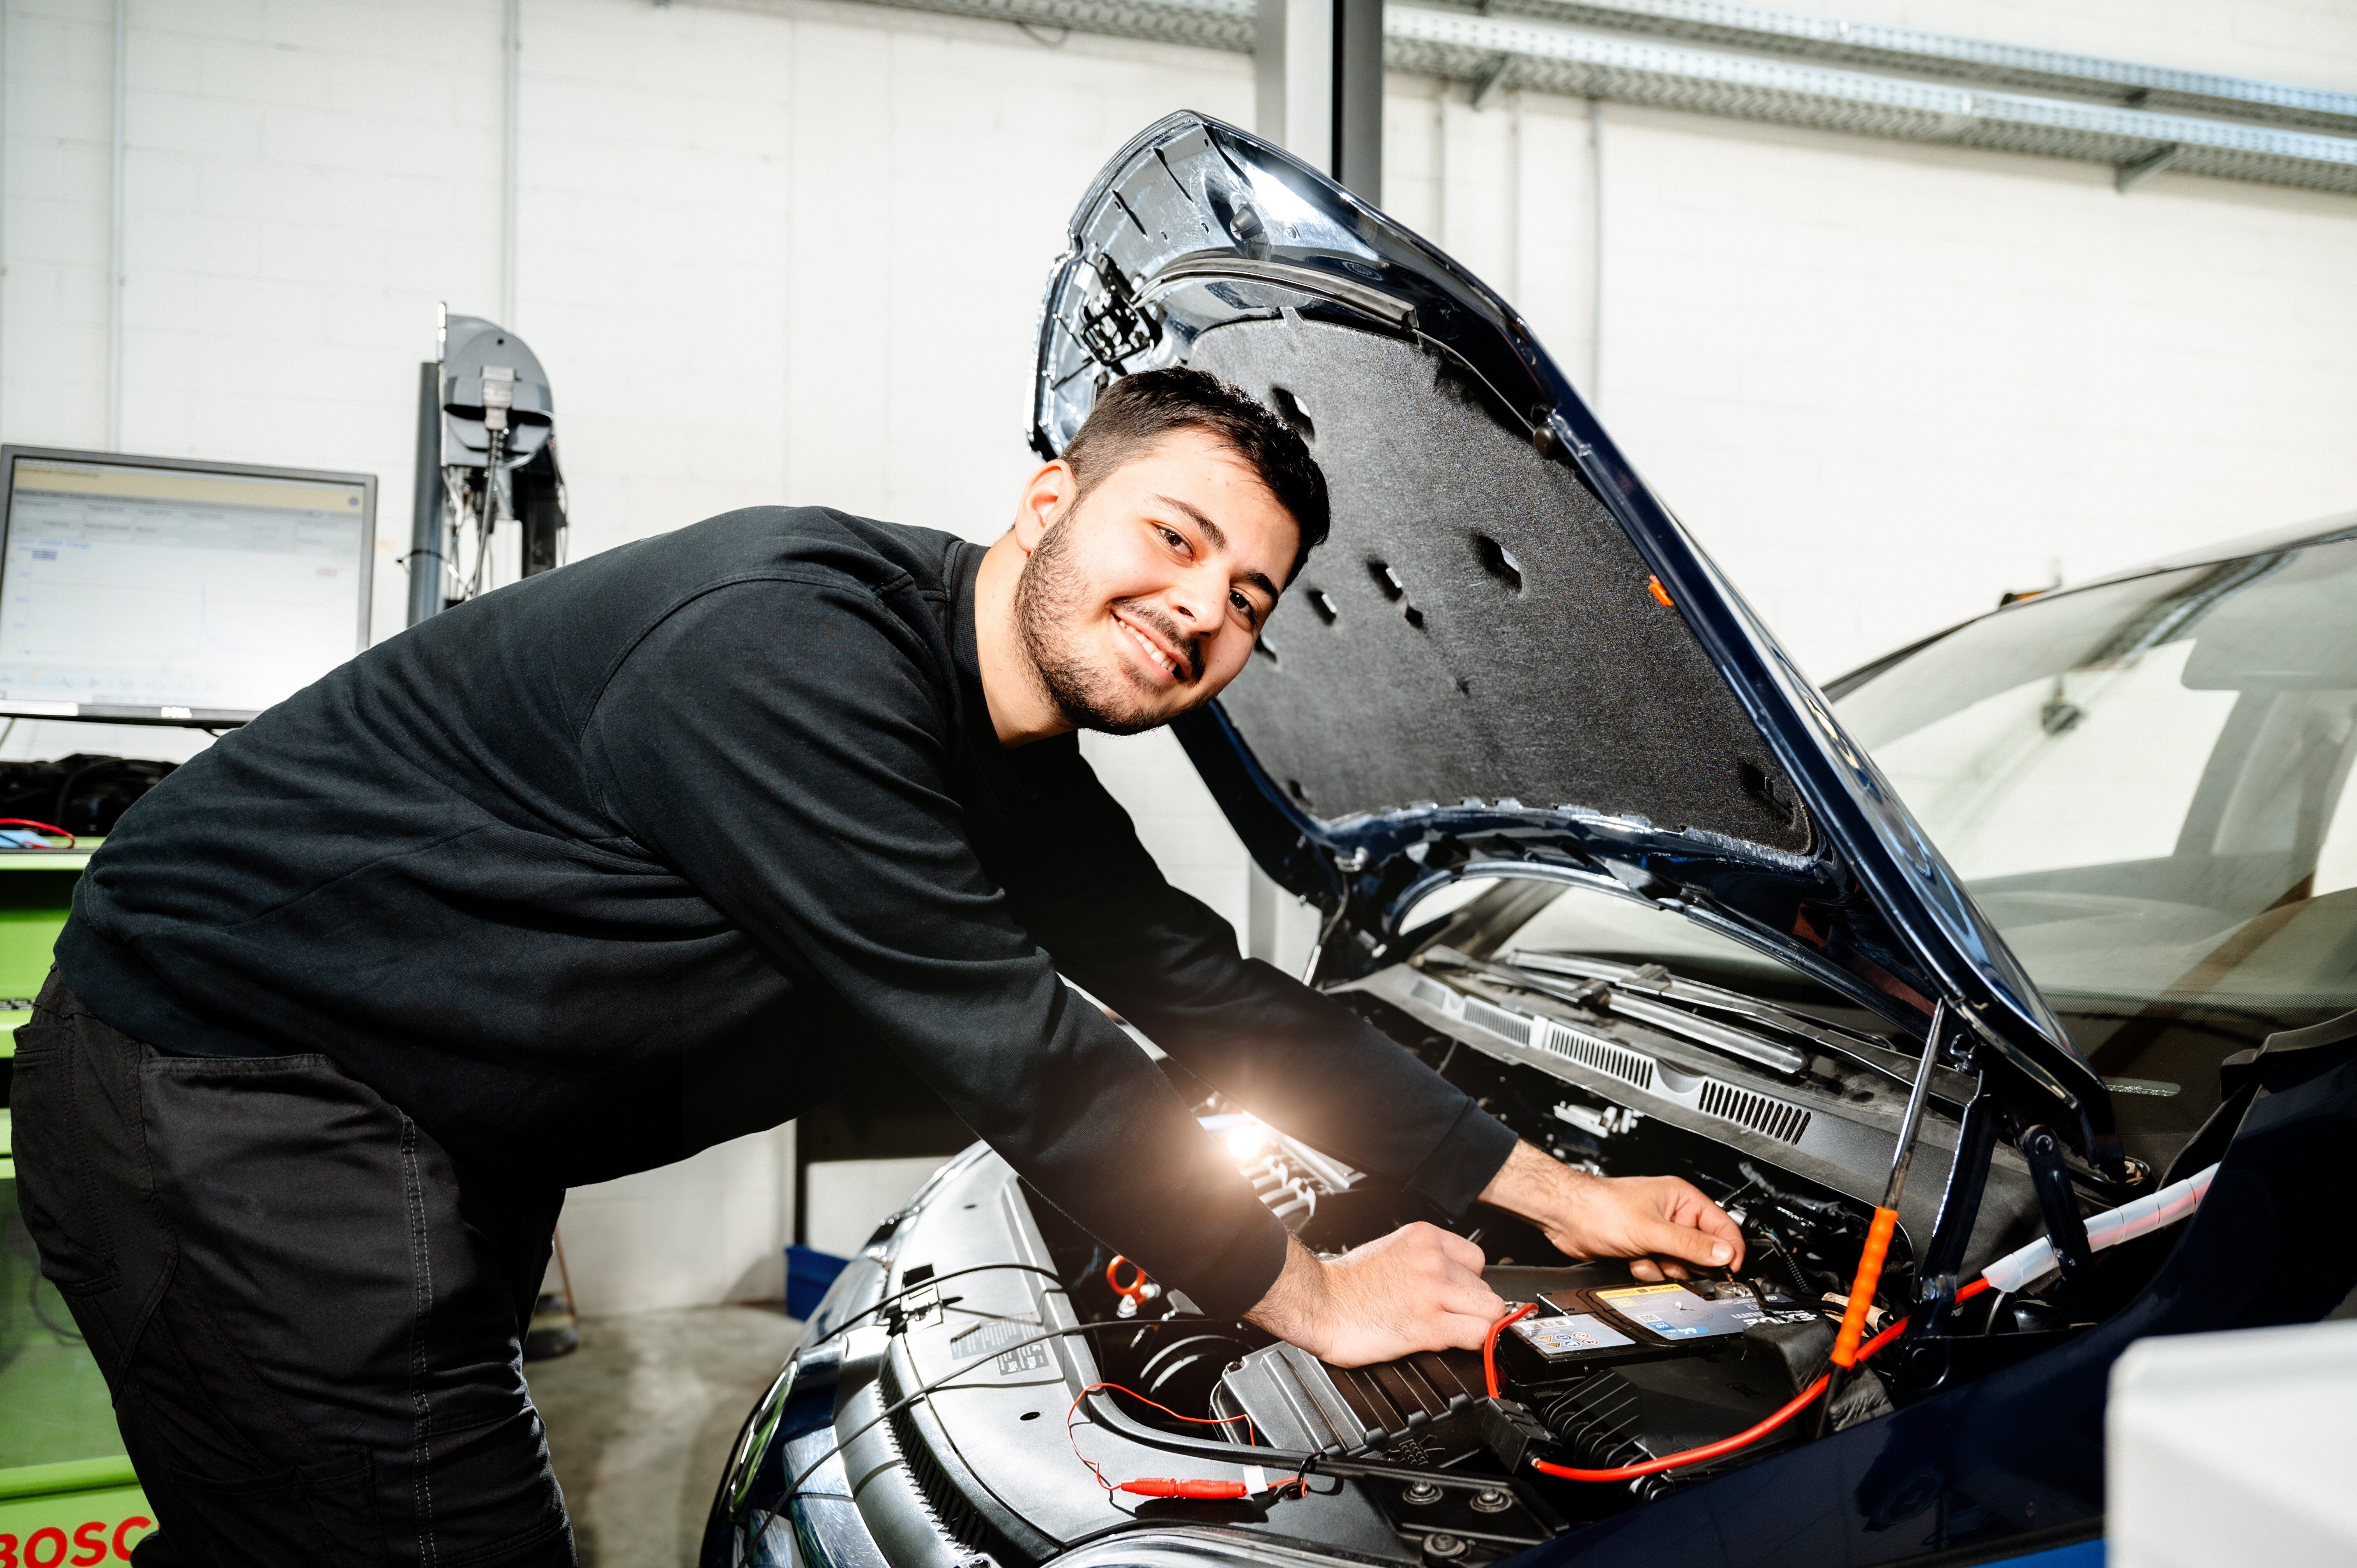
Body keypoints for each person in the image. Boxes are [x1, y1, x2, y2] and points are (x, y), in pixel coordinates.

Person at [13, 368, 1741, 1568]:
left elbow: (1208, 994)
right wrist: (1303, 1290)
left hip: (420, 1121)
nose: (1207, 603)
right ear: (1049, 500)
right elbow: (1028, 1041)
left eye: (1254, 594)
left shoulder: (1008, 752)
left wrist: (1550, 1188)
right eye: (1175, 536)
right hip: (236, 1095)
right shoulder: (793, 654)